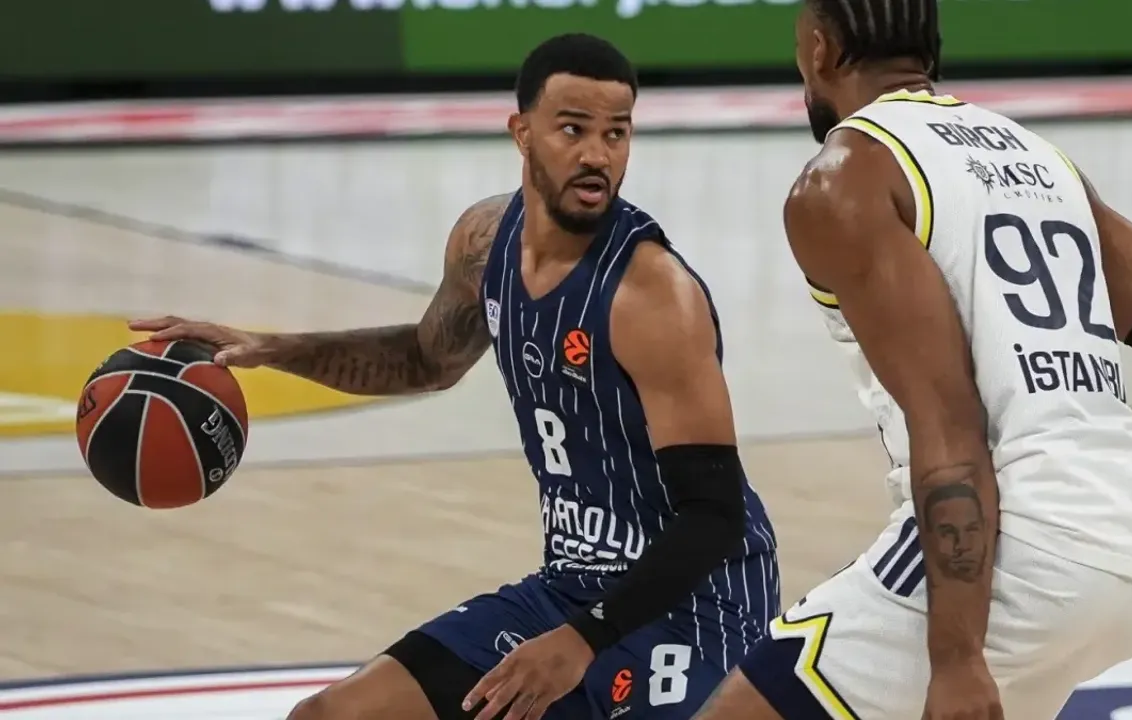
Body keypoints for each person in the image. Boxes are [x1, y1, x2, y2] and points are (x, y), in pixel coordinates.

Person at [131, 33, 780, 720]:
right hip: (572, 588)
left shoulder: (652, 294)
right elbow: (426, 359)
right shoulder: (485, 243)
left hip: (693, 605)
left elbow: (714, 517)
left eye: (615, 133)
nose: (597, 154)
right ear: (521, 133)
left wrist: (582, 640)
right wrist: (272, 348)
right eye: (573, 130)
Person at [692, 2, 1132, 720]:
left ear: (818, 47)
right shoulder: (1041, 159)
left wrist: (956, 655)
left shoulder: (842, 178)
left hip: (1020, 555)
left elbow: (952, 430)